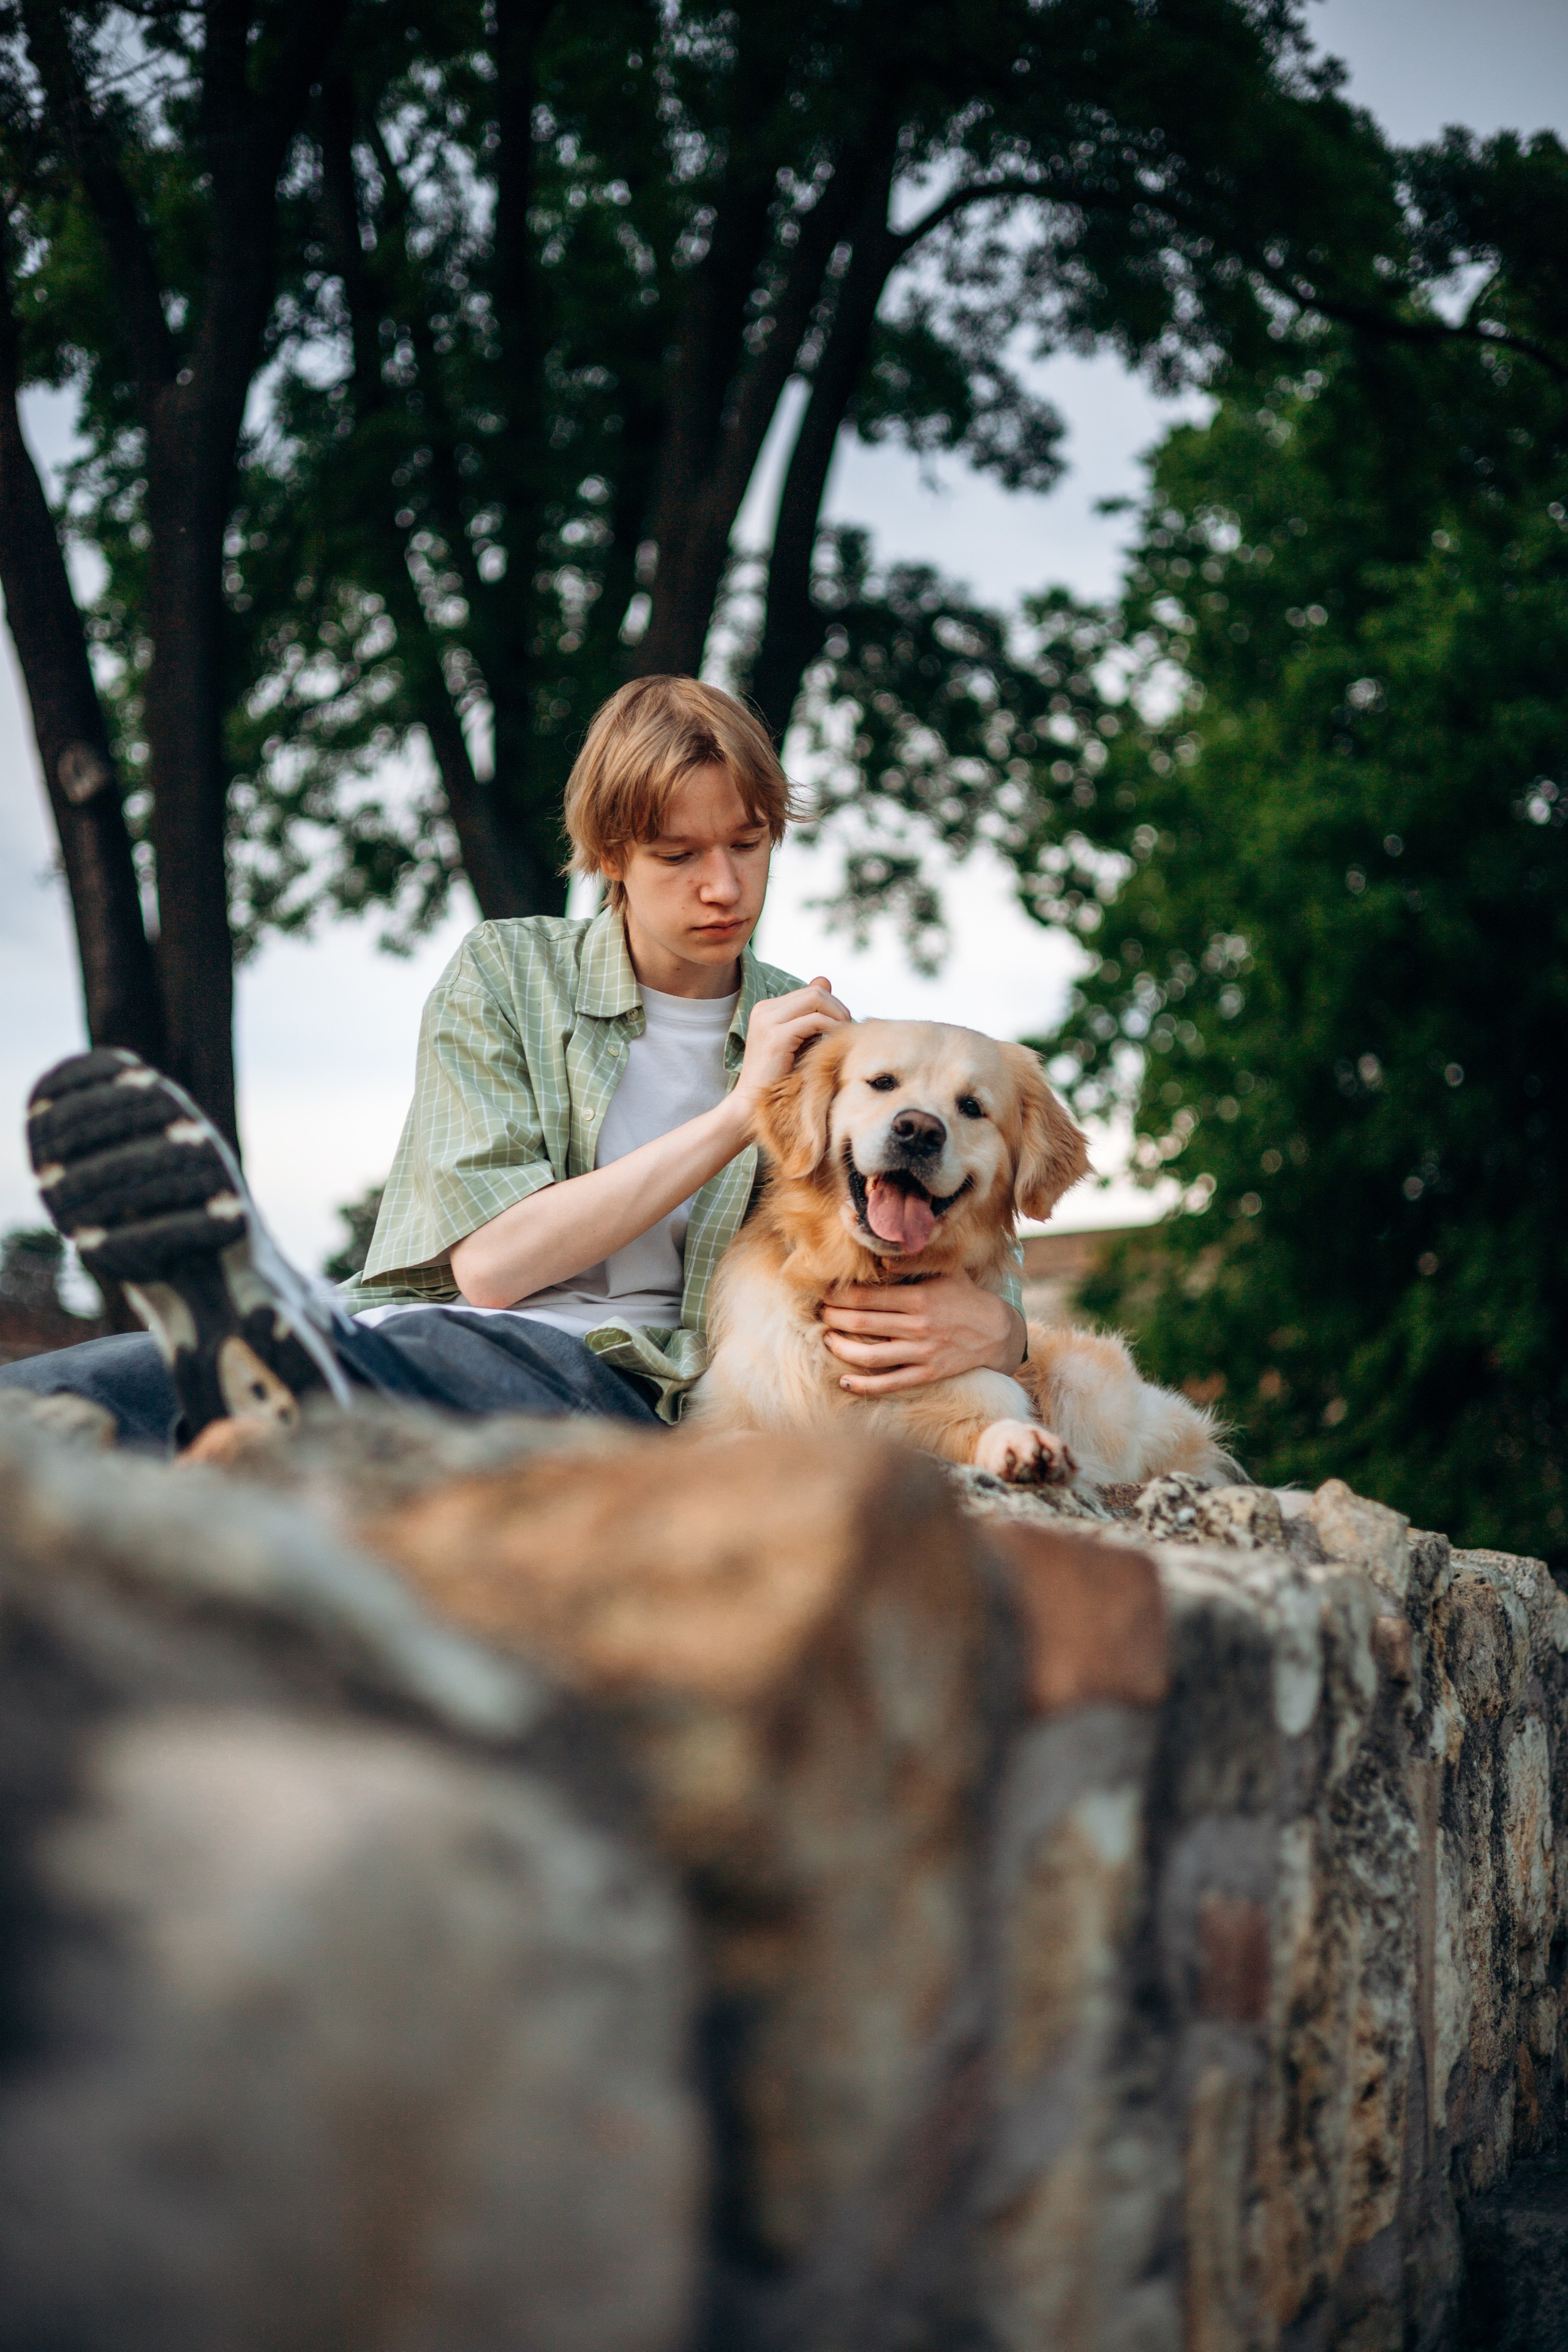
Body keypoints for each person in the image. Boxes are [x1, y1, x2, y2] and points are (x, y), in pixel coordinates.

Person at [2, 676, 1027, 1451]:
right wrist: (737, 1112)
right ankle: (285, 1370)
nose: (723, 886)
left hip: (624, 1381)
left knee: (423, 1361)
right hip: (427, 1328)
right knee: (83, 1384)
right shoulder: (505, 972)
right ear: (611, 856)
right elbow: (489, 1265)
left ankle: (297, 1381)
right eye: (678, 855)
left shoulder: (822, 1043)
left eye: (747, 845)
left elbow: (949, 1226)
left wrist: (1005, 1337)